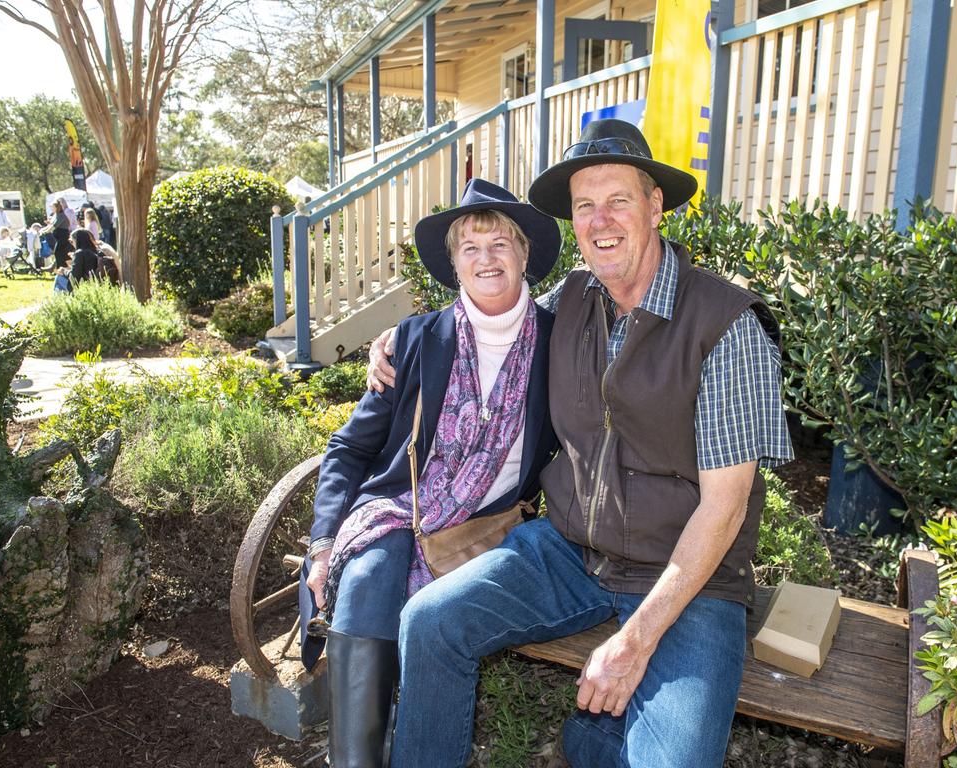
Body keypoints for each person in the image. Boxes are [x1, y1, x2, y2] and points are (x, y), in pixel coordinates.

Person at [368, 119, 794, 768]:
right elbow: (483, 337)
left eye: (619, 199)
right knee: (430, 621)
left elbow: (724, 509)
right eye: (584, 205)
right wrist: (403, 342)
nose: (601, 220)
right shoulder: (567, 301)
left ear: (655, 207)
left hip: (689, 580)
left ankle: (598, 741)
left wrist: (637, 640)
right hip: (567, 553)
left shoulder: (729, 327)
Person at [305, 178, 562, 768]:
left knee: (442, 616)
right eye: (470, 248)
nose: (486, 259)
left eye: (500, 243)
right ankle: (356, 759)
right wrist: (323, 541)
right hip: (402, 511)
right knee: (369, 577)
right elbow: (348, 448)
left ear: (525, 254)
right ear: (453, 264)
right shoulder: (414, 341)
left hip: (493, 527)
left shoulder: (560, 340)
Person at [41, 201, 73, 270]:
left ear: (56, 207)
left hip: (63, 237)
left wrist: (44, 232)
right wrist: (42, 230)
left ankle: (61, 268)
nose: (51, 208)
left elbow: (54, 226)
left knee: (58, 252)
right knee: (61, 253)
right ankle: (62, 268)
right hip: (59, 238)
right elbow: (50, 225)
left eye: (52, 207)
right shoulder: (56, 215)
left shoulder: (61, 215)